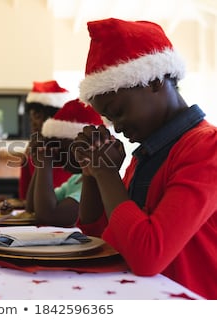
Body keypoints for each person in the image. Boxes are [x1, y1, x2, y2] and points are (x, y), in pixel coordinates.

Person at [72, 18, 217, 299]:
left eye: (119, 111)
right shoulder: (151, 151)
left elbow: (147, 255)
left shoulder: (206, 148)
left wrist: (106, 174)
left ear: (153, 80)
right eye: (109, 119)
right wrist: (92, 172)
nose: (117, 127)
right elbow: (99, 236)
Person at [26, 98, 103, 227]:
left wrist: (45, 162)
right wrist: (41, 161)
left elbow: (48, 216)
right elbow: (32, 208)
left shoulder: (93, 184)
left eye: (61, 148)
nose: (57, 153)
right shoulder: (76, 179)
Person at [19, 80, 74, 200]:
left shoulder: (65, 151)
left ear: (53, 117)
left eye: (37, 116)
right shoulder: (32, 149)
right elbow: (24, 196)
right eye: (31, 116)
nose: (32, 122)